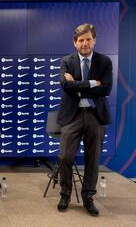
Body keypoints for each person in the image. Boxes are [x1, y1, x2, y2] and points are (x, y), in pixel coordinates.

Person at [57, 23, 113, 216]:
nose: (85, 43)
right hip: (72, 116)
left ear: (94, 40)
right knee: (65, 157)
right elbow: (65, 86)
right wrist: (91, 83)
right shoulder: (66, 61)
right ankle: (65, 194)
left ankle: (88, 197)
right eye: (81, 40)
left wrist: (77, 85)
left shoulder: (104, 62)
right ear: (75, 43)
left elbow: (106, 89)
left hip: (95, 116)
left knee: (93, 158)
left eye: (88, 39)